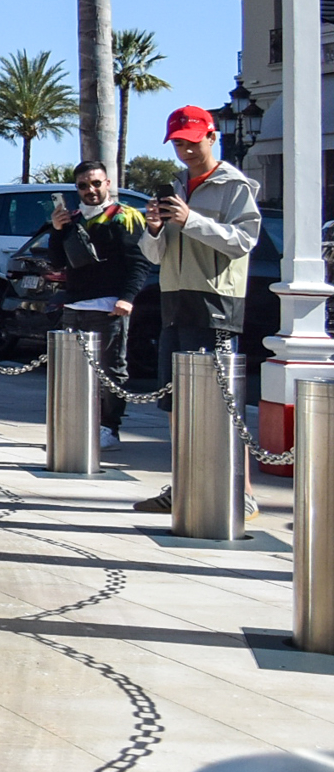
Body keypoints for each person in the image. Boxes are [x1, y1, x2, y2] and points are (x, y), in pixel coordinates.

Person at [131, 106, 262, 517]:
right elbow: (155, 254)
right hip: (174, 299)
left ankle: (241, 491)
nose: (185, 150)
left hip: (216, 302)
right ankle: (183, 483)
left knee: (221, 402)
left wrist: (192, 220)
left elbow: (243, 240)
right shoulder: (174, 186)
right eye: (178, 144)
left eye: (191, 141)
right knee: (174, 401)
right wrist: (153, 230)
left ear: (211, 136)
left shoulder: (234, 185)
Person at [44, 160, 151, 446]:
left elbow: (139, 263)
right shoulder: (73, 219)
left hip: (108, 307)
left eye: (95, 183)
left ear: (107, 184)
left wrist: (127, 299)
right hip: (74, 306)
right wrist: (56, 229)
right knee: (74, 371)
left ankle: (109, 428)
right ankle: (80, 426)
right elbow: (57, 261)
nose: (90, 189)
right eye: (83, 185)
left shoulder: (124, 217)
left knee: (111, 369)